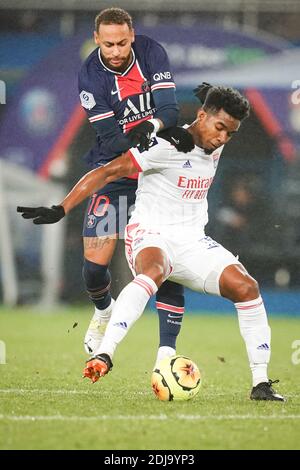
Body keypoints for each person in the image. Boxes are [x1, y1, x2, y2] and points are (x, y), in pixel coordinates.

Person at [17, 85, 285, 401]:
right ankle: (105, 353)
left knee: (247, 287)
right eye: (220, 128)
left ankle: (261, 384)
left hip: (193, 241)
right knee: (153, 271)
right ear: (202, 116)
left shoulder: (214, 139)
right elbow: (106, 172)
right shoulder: (163, 146)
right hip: (149, 234)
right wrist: (61, 208)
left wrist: (212, 93)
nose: (223, 138)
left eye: (231, 133)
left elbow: (214, 116)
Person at [77, 8, 194, 365]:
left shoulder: (151, 52)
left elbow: (171, 111)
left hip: (156, 176)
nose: (116, 51)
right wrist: (149, 133)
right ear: (97, 40)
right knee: (95, 268)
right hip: (115, 173)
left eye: (122, 42)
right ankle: (104, 311)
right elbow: (111, 139)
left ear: (132, 35)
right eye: (109, 44)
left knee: (163, 262)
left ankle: (166, 353)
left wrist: (153, 127)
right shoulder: (89, 76)